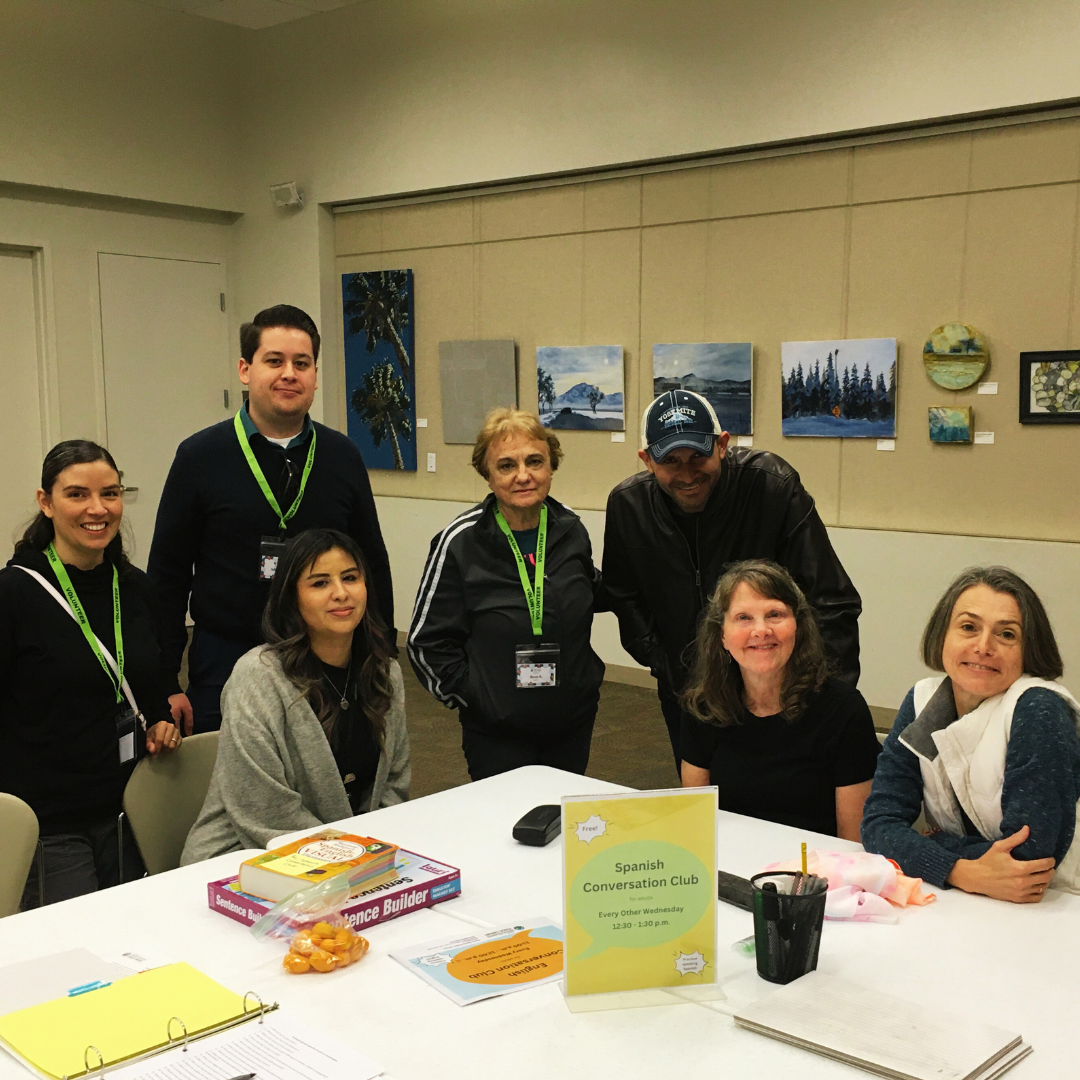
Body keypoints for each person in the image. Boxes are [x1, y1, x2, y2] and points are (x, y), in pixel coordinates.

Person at [147, 304, 395, 735]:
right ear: (245, 370)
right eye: (274, 361)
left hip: (326, 654)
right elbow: (167, 574)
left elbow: (371, 560)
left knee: (329, 779)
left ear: (315, 376)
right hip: (225, 654)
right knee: (231, 783)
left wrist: (383, 653)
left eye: (302, 363)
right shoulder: (200, 456)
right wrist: (164, 679)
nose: (289, 374)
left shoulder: (341, 456)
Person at [603, 389, 862, 768]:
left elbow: (831, 599)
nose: (687, 473)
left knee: (795, 808)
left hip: (779, 690)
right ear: (646, 460)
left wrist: (822, 696)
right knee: (708, 811)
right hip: (688, 691)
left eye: (698, 456)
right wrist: (664, 660)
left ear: (722, 445)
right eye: (671, 461)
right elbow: (622, 593)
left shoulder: (771, 485)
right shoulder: (628, 505)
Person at [0, 441, 180, 908]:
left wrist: (160, 719)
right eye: (77, 495)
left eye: (110, 493)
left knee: (139, 939)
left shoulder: (136, 587)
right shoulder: (14, 595)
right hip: (51, 823)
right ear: (46, 502)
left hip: (130, 812)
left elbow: (151, 680)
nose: (97, 509)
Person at [181, 529, 409, 862]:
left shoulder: (385, 672)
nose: (341, 593)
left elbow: (394, 785)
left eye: (350, 578)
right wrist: (352, 860)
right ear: (292, 597)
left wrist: (368, 859)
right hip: (246, 860)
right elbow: (266, 813)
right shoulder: (257, 677)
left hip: (350, 860)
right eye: (320, 583)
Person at [408, 408, 605, 781]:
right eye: (506, 465)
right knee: (504, 830)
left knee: (564, 822)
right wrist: (476, 698)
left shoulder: (571, 531)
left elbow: (587, 592)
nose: (523, 476)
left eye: (534, 461)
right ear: (488, 474)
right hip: (497, 733)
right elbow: (425, 641)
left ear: (551, 466)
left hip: (571, 722)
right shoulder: (461, 543)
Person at [861, 566, 1080, 903]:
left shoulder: (1039, 709)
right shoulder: (923, 701)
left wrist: (932, 842)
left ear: (1029, 649)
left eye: (1006, 634)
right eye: (968, 627)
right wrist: (956, 868)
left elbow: (1028, 859)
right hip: (968, 895)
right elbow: (878, 824)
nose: (983, 646)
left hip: (1057, 904)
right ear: (942, 635)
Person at [680, 561, 879, 839]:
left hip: (814, 872)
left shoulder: (843, 710)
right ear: (722, 636)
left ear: (798, 627)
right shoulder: (704, 707)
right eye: (743, 618)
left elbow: (853, 842)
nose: (761, 630)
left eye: (774, 614)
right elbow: (696, 826)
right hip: (730, 866)